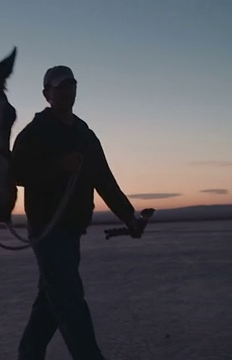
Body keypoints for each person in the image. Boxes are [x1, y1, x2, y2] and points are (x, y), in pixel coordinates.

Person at [12, 65, 143, 360]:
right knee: (69, 299)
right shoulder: (34, 132)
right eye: (58, 87)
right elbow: (16, 172)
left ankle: (28, 354)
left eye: (70, 85)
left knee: (51, 299)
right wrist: (57, 167)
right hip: (47, 229)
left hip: (72, 228)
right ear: (47, 94)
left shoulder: (84, 133)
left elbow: (104, 179)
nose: (66, 91)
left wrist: (128, 216)